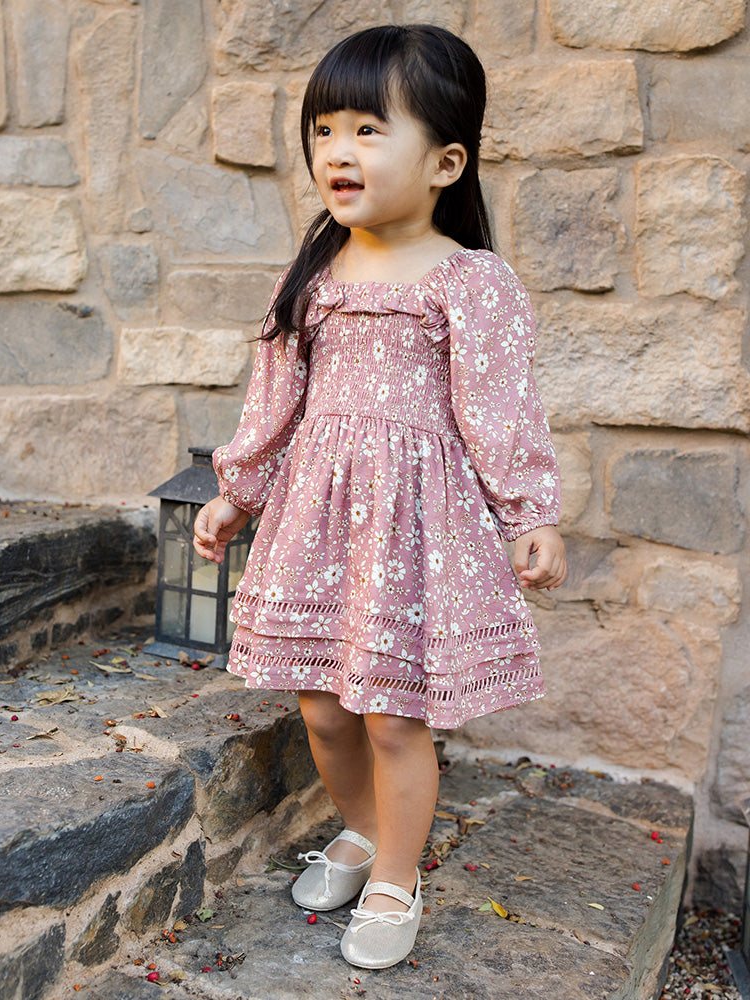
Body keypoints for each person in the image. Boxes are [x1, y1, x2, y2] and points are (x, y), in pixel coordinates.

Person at [193, 23, 566, 970]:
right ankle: (360, 831)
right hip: (318, 518)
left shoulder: (470, 281)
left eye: (367, 129)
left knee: (394, 713)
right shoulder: (313, 274)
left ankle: (398, 876)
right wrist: (239, 489)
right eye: (323, 130)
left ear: (445, 160)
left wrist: (531, 514)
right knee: (323, 704)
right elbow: (276, 397)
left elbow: (501, 410)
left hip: (415, 526)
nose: (337, 152)